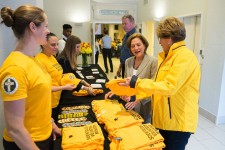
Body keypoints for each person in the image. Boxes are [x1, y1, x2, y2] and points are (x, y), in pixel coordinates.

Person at [118, 17, 201, 150]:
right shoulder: (168, 57)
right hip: (164, 121)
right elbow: (157, 85)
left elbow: (169, 87)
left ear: (168, 38)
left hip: (177, 124)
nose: (160, 43)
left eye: (160, 39)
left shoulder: (185, 57)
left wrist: (137, 82)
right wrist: (135, 97)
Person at [0, 5, 61, 150]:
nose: (47, 31)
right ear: (33, 27)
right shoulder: (15, 69)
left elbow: (38, 101)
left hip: (43, 135)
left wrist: (50, 123)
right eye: (45, 26)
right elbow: (15, 129)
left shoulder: (33, 59)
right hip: (27, 143)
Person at [105, 33, 158, 123]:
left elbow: (153, 86)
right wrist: (116, 90)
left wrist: (136, 99)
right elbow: (125, 82)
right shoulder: (128, 61)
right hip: (128, 105)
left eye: (138, 45)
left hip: (144, 106)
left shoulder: (153, 61)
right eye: (132, 46)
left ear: (144, 45)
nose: (136, 48)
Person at [35, 32, 76, 122]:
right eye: (53, 45)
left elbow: (56, 74)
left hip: (56, 99)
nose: (56, 47)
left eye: (57, 44)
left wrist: (65, 75)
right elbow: (44, 87)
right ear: (43, 44)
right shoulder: (39, 60)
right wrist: (65, 87)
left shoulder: (52, 57)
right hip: (48, 102)